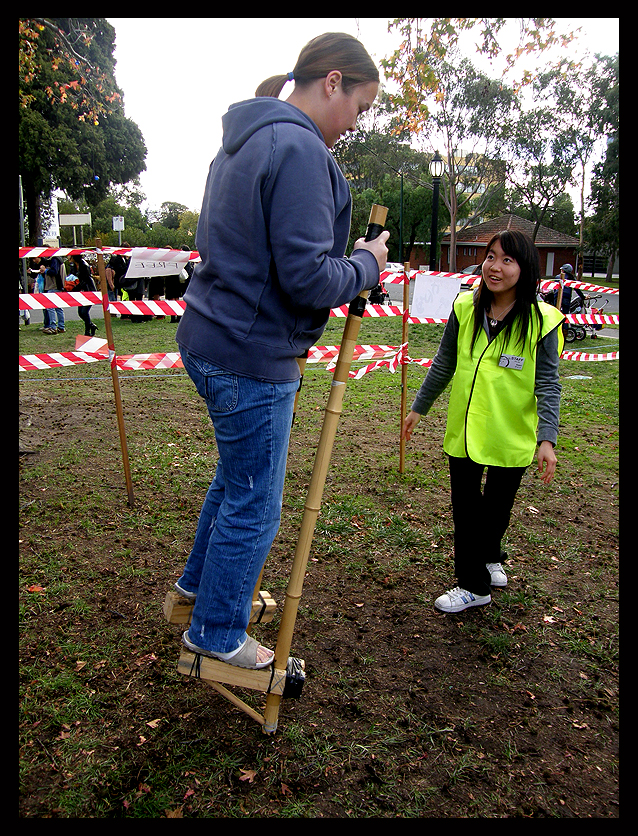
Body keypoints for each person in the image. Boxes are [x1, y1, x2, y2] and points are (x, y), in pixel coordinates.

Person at [174, 32, 388, 669]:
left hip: (210, 337)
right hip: (251, 354)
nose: (356, 122)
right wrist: (367, 264)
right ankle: (215, 633)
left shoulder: (245, 136)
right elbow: (308, 276)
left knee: (235, 481)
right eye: (360, 105)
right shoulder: (296, 146)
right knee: (257, 501)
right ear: (332, 81)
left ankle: (196, 588)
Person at [401, 230, 564, 613]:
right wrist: (418, 408)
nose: (495, 266)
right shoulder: (464, 308)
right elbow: (444, 363)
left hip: (511, 433)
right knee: (467, 510)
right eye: (491, 257)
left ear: (525, 269)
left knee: (496, 509)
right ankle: (473, 585)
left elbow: (548, 384)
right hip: (466, 431)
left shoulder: (542, 321)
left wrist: (547, 439)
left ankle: (490, 556)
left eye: (508, 260)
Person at [70, 253, 98, 336]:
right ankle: (91, 326)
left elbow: (85, 280)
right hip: (82, 292)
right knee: (80, 312)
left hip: (89, 291)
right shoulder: (75, 266)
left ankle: (88, 330)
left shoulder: (84, 265)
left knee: (84, 312)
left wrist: (75, 289)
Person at [42, 255, 66, 334]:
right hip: (58, 286)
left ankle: (53, 327)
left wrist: (45, 270)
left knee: (50, 307)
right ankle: (61, 327)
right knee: (58, 307)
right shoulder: (58, 259)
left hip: (53, 286)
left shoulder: (54, 260)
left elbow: (54, 271)